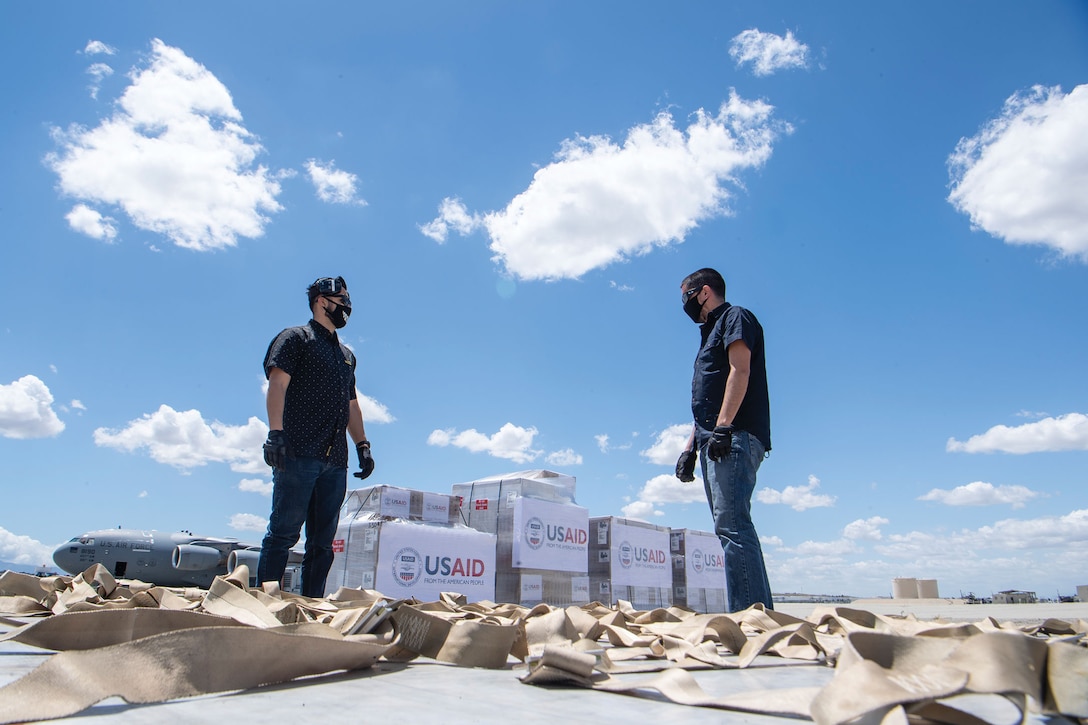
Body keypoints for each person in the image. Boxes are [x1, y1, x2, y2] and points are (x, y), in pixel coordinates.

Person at [258, 276, 374, 597]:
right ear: (322, 301)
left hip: (335, 461)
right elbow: (277, 385)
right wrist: (275, 434)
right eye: (342, 300)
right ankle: (263, 603)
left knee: (322, 544)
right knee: (283, 533)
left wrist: (362, 445)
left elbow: (351, 404)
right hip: (298, 452)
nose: (347, 306)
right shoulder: (295, 339)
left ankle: (312, 605)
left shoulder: (347, 356)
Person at [675, 267, 773, 612]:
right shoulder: (709, 333)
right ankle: (757, 614)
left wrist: (724, 428)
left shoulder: (735, 317)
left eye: (684, 294)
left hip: (734, 436)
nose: (682, 303)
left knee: (732, 526)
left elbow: (740, 369)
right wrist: (690, 448)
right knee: (729, 527)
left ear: (702, 292)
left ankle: (751, 618)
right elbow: (709, 397)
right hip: (713, 439)